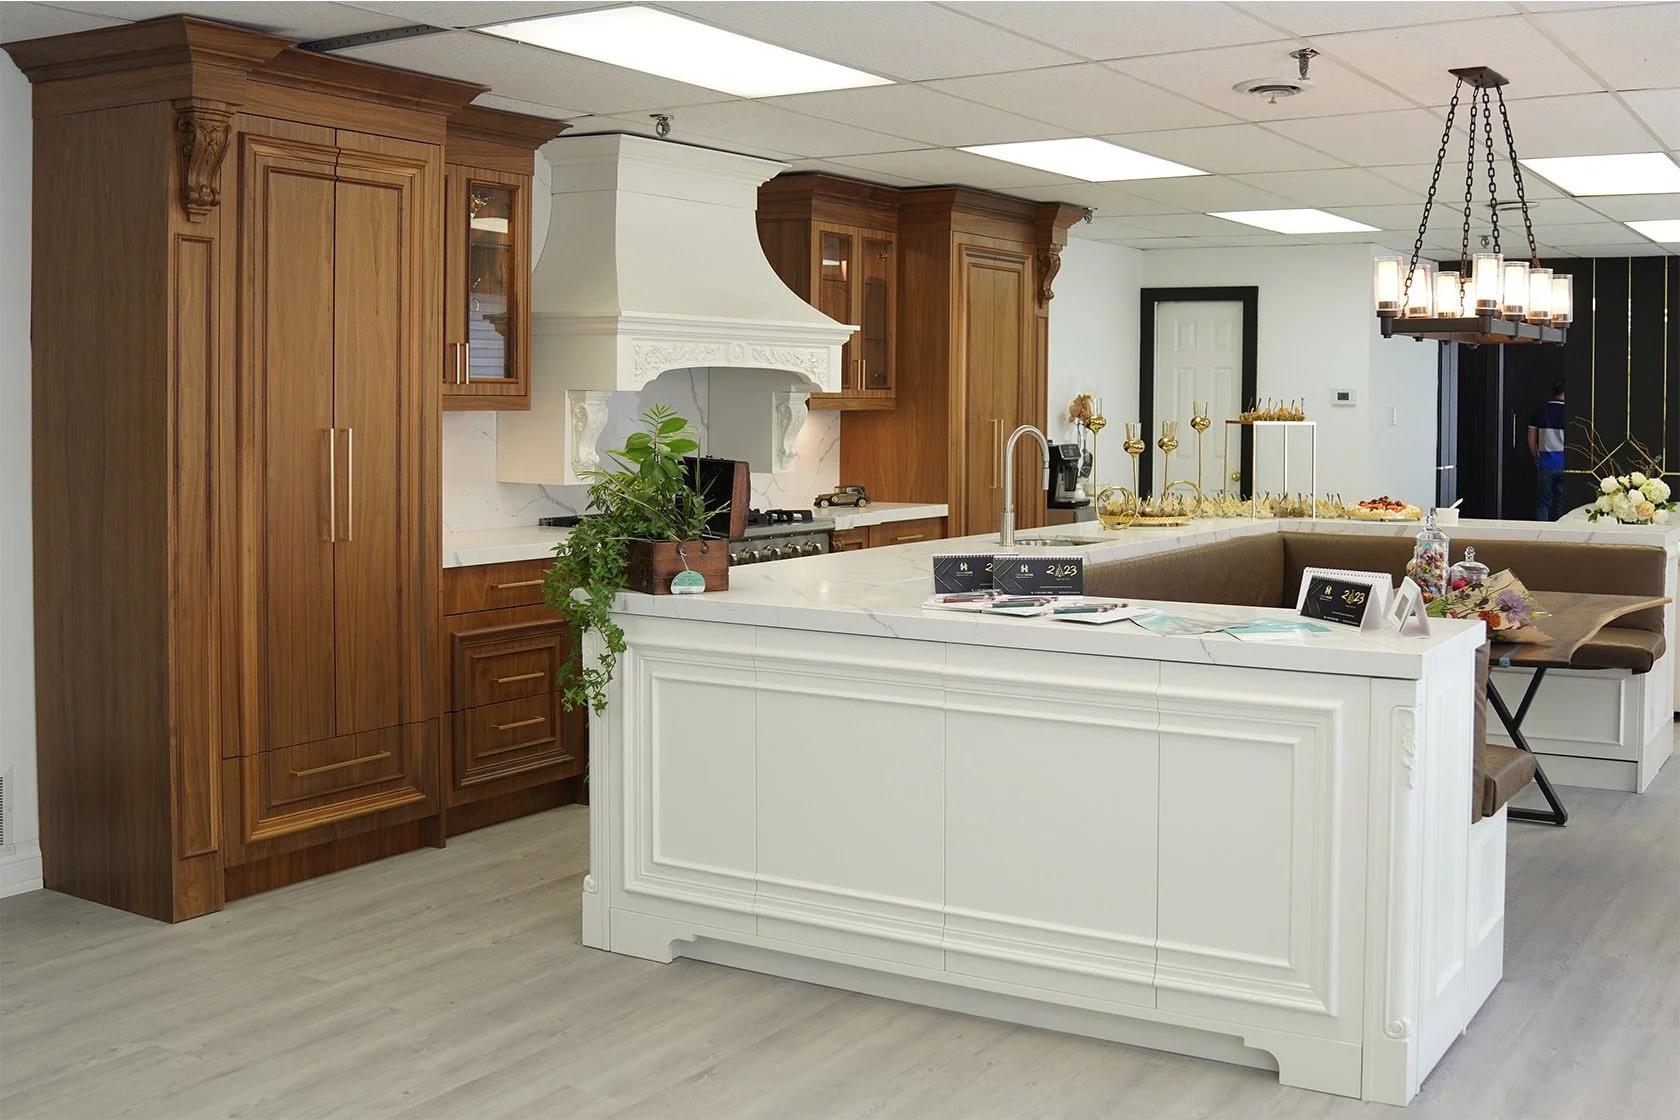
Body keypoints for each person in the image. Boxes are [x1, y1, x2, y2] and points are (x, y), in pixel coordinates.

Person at [1527, 379, 1566, 521]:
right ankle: (1561, 538)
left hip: (1546, 463)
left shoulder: (1540, 411)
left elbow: (1531, 439)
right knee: (1562, 504)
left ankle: (1541, 537)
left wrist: (1537, 458)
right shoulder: (1571, 412)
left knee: (1543, 505)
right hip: (1565, 464)